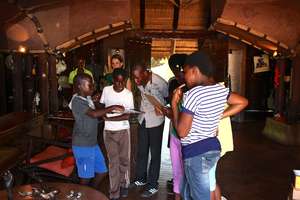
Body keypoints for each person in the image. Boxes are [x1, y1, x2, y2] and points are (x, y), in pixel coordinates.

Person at [171, 51, 248, 200]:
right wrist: (219, 115)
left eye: (185, 72)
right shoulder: (220, 90)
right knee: (188, 193)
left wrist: (174, 105)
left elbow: (181, 132)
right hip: (212, 149)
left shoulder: (194, 94)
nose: (184, 77)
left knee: (199, 196)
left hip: (195, 153)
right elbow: (242, 102)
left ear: (194, 71)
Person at [69, 73, 124, 190]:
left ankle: (91, 192)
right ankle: (83, 195)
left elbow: (94, 109)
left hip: (92, 144)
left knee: (102, 171)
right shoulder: (77, 101)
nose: (93, 87)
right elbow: (93, 114)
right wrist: (112, 107)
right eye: (90, 85)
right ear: (80, 86)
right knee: (86, 177)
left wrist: (96, 101)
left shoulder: (86, 98)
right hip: (82, 145)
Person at [130, 63, 169, 197]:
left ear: (145, 73)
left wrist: (161, 106)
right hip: (143, 118)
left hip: (156, 120)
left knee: (155, 153)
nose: (136, 81)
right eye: (135, 78)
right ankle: (141, 178)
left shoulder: (158, 81)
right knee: (142, 151)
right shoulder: (140, 79)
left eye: (138, 78)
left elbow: (166, 95)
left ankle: (153, 185)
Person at [100, 68, 134, 200]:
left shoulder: (128, 94)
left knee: (124, 160)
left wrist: (109, 118)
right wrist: (102, 111)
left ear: (125, 81)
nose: (119, 85)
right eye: (117, 82)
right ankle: (114, 192)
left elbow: (127, 116)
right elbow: (101, 106)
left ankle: (124, 184)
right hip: (108, 131)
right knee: (113, 162)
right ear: (113, 80)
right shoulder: (106, 90)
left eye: (122, 82)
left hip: (123, 130)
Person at [166, 54, 187, 200]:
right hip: (175, 133)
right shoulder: (174, 83)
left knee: (187, 171)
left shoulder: (193, 88)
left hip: (186, 136)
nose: (176, 75)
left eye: (177, 71)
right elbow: (174, 110)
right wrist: (168, 109)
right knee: (177, 171)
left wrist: (172, 109)